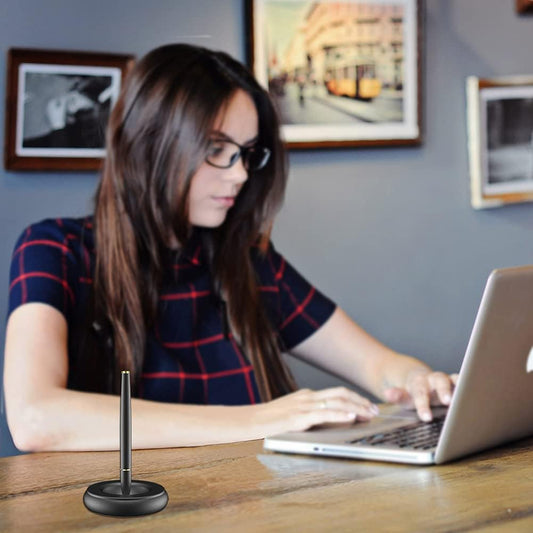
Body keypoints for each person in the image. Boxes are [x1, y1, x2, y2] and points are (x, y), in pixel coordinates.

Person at [3, 43, 457, 453]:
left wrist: (417, 380)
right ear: (150, 145)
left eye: (247, 152)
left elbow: (378, 364)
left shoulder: (248, 262)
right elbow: (35, 418)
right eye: (218, 149)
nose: (240, 174)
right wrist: (261, 419)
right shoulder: (54, 250)